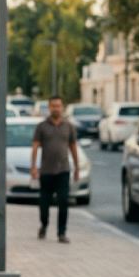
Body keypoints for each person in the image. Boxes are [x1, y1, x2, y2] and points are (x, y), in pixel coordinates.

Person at [31, 95, 79, 243]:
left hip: (63, 170)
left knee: (63, 201)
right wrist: (33, 167)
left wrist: (77, 167)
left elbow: (73, 147)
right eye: (53, 106)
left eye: (58, 106)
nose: (56, 108)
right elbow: (35, 147)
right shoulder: (42, 126)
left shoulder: (68, 126)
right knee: (44, 203)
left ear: (62, 107)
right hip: (46, 170)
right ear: (49, 107)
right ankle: (44, 224)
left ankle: (61, 232)